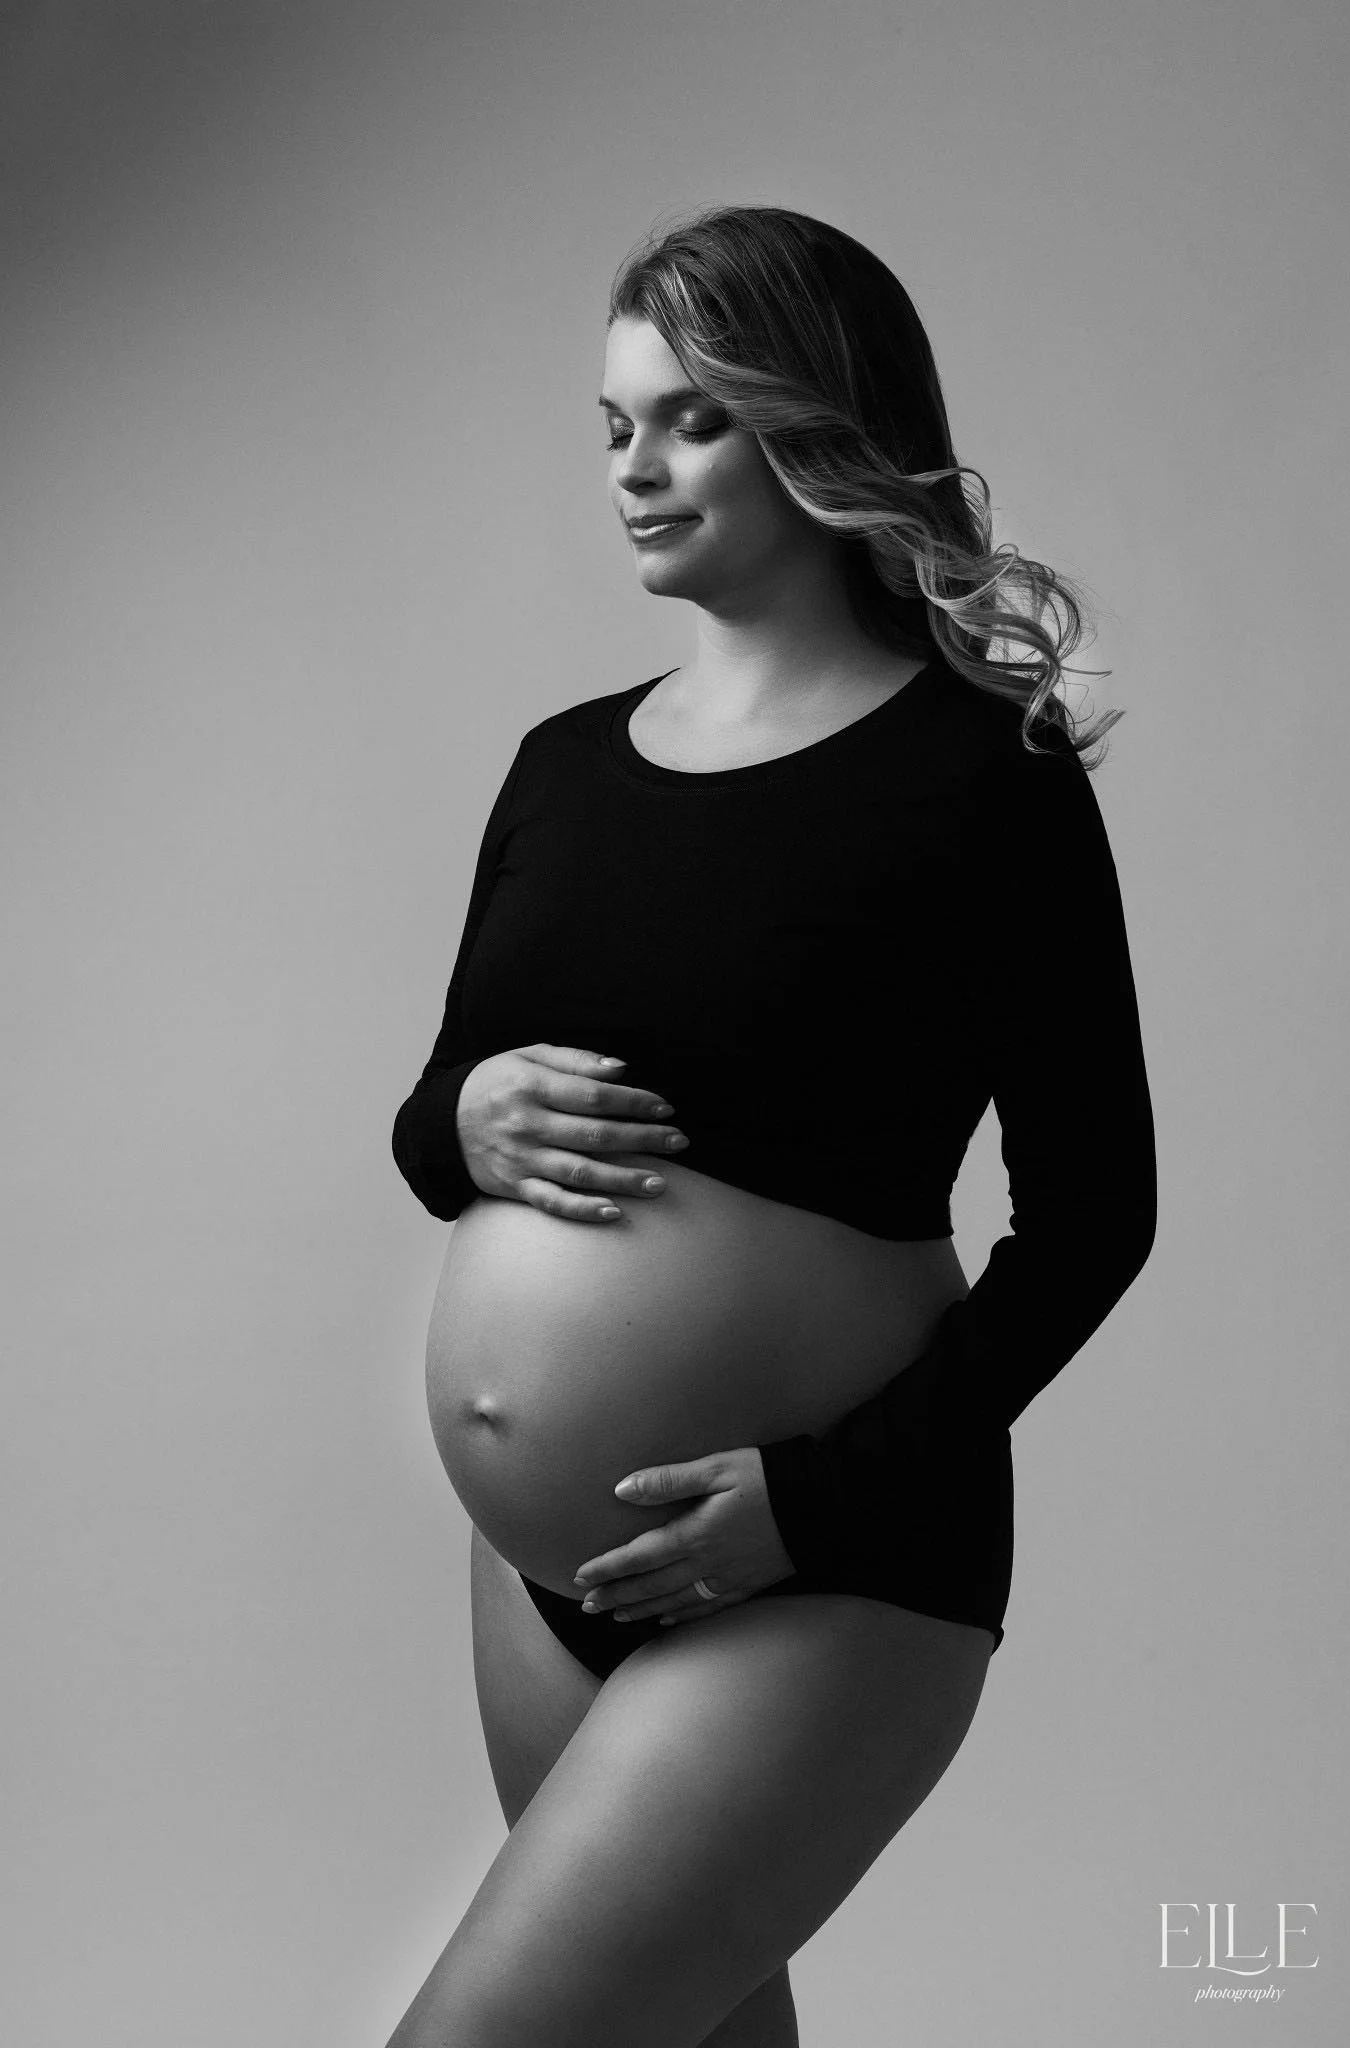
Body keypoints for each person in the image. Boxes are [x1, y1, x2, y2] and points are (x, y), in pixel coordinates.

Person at [385, 204, 1157, 2048]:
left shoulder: (983, 776)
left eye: (691, 421)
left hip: (826, 1565)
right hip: (536, 1570)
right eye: (613, 427)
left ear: (815, 427)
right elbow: (444, 1119)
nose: (636, 472)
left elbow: (1097, 1216)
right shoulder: (564, 765)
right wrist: (465, 1118)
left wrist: (814, 1500)